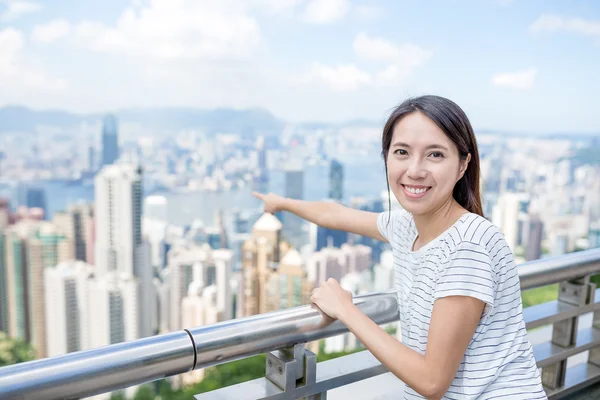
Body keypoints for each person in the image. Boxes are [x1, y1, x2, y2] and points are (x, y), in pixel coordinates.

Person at [253, 95, 546, 399]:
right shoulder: (407, 227)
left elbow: (432, 382)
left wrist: (345, 310)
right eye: (402, 152)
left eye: (435, 155)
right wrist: (282, 203)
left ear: (463, 165)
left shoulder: (467, 246)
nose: (415, 170)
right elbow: (335, 214)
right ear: (387, 158)